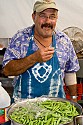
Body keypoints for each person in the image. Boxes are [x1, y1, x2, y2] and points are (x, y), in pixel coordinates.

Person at [2, 0, 80, 105]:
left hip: (56, 108)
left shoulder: (64, 41)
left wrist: (73, 98)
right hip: (23, 107)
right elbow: (7, 70)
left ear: (56, 19)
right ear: (34, 17)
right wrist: (34, 58)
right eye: (43, 16)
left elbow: (70, 72)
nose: (48, 21)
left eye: (52, 16)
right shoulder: (20, 38)